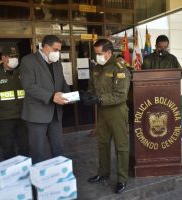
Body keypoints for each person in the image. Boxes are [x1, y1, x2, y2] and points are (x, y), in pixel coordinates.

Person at [81, 39, 130, 194]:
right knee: (102, 143)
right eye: (96, 54)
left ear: (109, 53)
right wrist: (87, 96)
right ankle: (103, 173)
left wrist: (100, 99)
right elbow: (92, 87)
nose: (97, 57)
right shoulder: (97, 68)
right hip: (102, 112)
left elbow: (121, 95)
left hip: (117, 112)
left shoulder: (120, 68)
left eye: (99, 53)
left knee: (121, 147)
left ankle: (122, 179)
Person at [20, 35, 70, 164]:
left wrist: (68, 95)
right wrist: (52, 96)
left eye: (59, 50)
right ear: (45, 47)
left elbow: (62, 82)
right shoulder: (28, 61)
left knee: (58, 148)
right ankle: (38, 182)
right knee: (37, 151)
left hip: (55, 114)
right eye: (55, 49)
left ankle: (59, 175)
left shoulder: (57, 63)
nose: (57, 53)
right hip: (37, 114)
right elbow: (29, 86)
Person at [0, 46, 29, 160]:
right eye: (11, 56)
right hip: (4, 118)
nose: (15, 59)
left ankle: (25, 169)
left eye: (16, 56)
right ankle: (11, 172)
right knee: (7, 147)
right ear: (3, 58)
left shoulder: (22, 72)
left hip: (22, 116)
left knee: (25, 146)